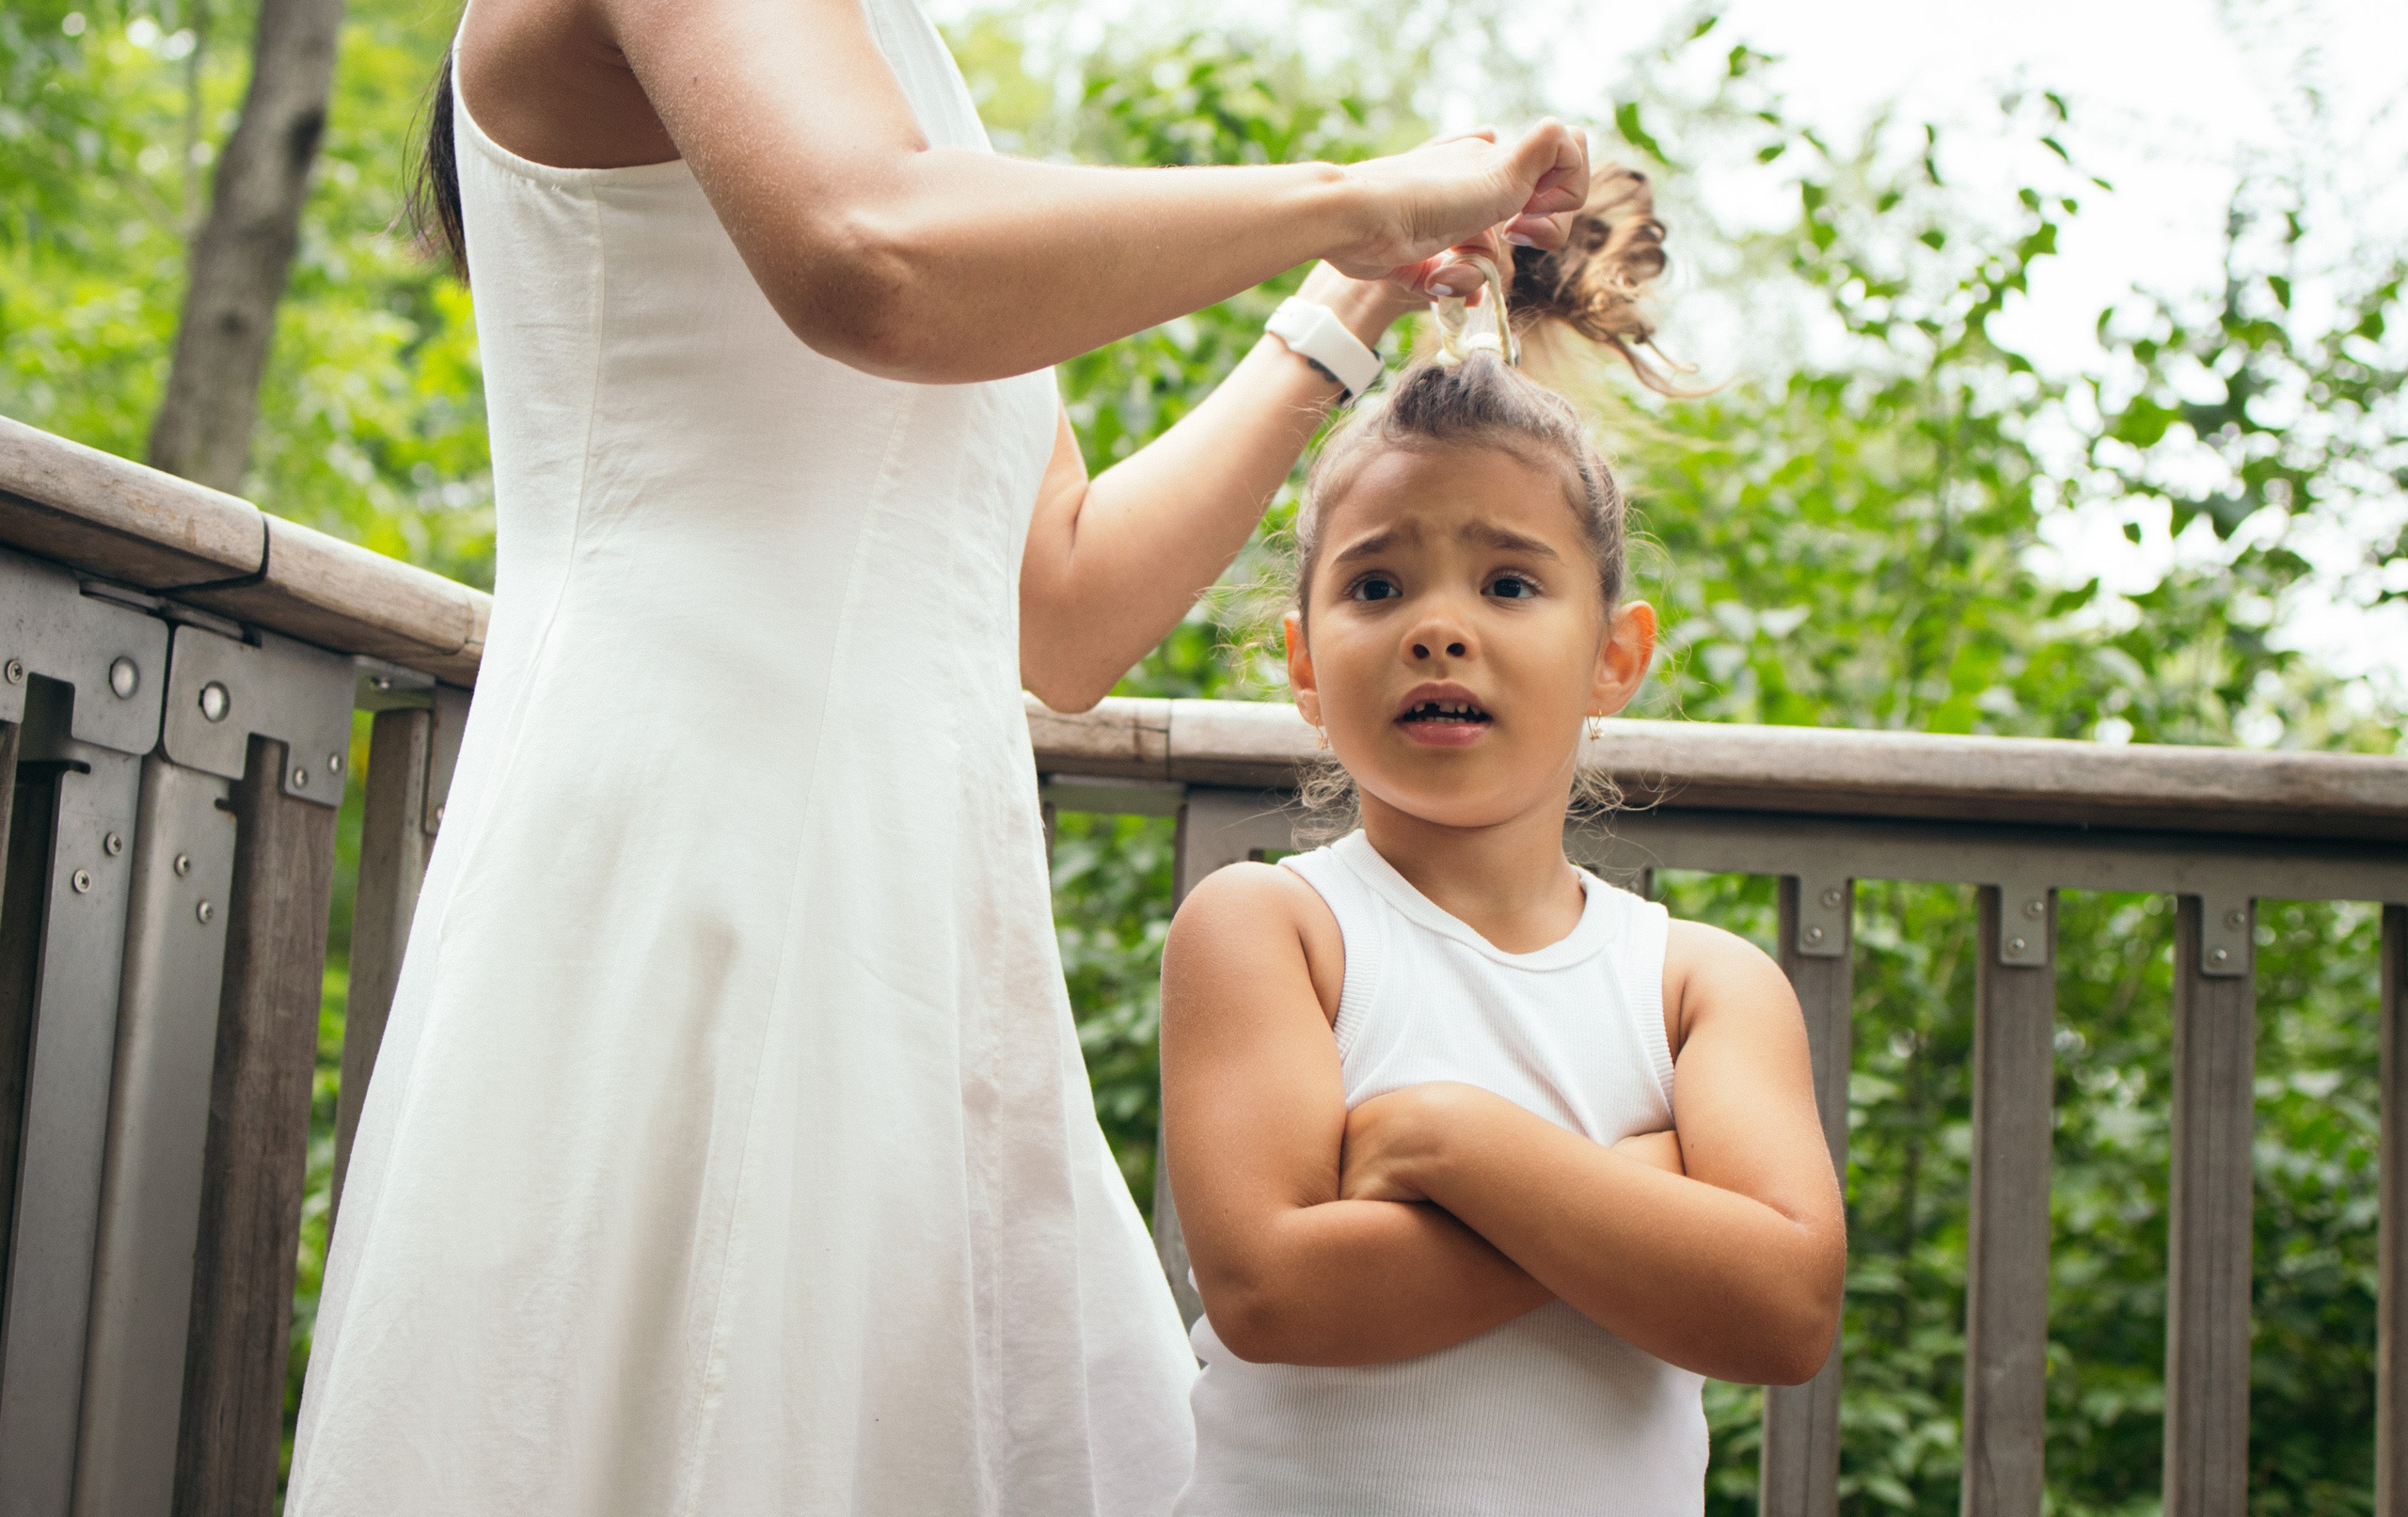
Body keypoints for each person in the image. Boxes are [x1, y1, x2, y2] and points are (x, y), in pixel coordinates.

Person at [285, 0, 1599, 1509]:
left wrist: (1344, 298)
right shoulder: (870, 151)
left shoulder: (913, 92)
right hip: (687, 864)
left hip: (915, 920)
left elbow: (1065, 602)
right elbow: (872, 254)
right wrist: (1366, 190)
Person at [1158, 178, 1848, 1515]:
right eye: (1375, 583)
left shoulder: (1701, 984)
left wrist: (1449, 1140)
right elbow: (1274, 1290)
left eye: (1510, 581)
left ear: (1615, 655)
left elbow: (1784, 1309)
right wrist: (1639, 1192)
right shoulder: (1271, 929)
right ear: (1303, 666)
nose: (1437, 625)